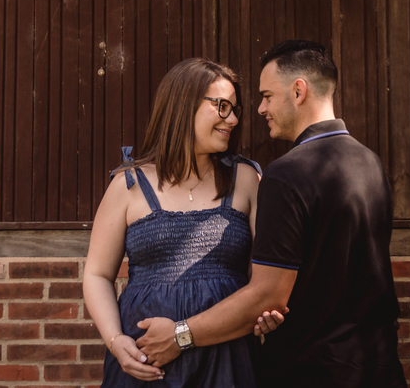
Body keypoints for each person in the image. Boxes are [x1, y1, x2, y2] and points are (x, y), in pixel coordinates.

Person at [135, 40, 408, 388]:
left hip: (313, 371)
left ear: (298, 91)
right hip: (379, 368)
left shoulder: (286, 174)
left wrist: (179, 335)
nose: (261, 109)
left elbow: (268, 296)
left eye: (267, 96)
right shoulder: (369, 162)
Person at [83, 57, 273, 386]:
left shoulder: (246, 180)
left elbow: (265, 278)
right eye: (222, 106)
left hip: (227, 357)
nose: (232, 119)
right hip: (146, 362)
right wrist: (116, 341)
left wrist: (265, 316)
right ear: (183, 105)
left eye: (235, 109)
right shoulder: (128, 185)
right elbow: (97, 274)